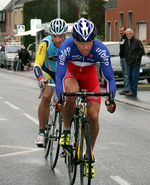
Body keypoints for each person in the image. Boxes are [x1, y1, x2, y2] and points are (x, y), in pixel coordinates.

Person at [56, 17, 116, 178]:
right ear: (74, 40)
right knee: (71, 93)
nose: (85, 46)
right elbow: (60, 76)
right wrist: (60, 98)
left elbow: (109, 78)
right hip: (71, 74)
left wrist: (111, 99)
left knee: (93, 116)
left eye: (89, 42)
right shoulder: (66, 47)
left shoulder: (100, 49)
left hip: (90, 77)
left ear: (94, 39)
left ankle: (89, 155)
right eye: (81, 43)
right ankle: (67, 130)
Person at [34, 18, 69, 147]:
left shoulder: (71, 43)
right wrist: (40, 79)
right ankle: (41, 133)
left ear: (66, 34)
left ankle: (68, 130)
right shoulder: (46, 43)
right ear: (50, 35)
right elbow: (37, 64)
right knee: (46, 96)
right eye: (55, 36)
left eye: (61, 36)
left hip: (64, 73)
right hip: (48, 72)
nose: (58, 39)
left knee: (69, 98)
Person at [124, 28, 145, 97]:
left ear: (132, 34)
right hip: (129, 62)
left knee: (134, 77)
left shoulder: (137, 41)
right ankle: (131, 90)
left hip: (135, 62)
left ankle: (133, 91)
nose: (128, 35)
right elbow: (126, 51)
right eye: (127, 34)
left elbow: (142, 51)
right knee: (129, 77)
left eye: (129, 33)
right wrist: (126, 59)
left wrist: (137, 58)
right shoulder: (126, 42)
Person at [119, 26, 130, 95]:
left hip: (125, 59)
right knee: (124, 74)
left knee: (126, 75)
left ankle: (127, 89)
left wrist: (126, 57)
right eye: (120, 31)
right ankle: (126, 88)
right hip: (121, 58)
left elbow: (128, 49)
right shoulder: (122, 39)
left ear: (125, 31)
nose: (121, 32)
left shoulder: (127, 39)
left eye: (122, 31)